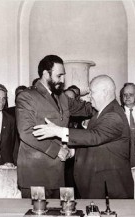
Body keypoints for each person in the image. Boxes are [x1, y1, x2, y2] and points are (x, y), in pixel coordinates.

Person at [33, 75, 134, 199]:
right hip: (97, 186)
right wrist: (72, 151)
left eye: (92, 92)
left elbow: (94, 137)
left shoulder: (113, 115)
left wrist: (58, 131)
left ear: (105, 92)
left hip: (109, 189)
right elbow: (97, 144)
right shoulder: (101, 113)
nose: (89, 96)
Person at [16, 55, 94, 198]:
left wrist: (105, 106)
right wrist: (57, 150)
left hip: (57, 174)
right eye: (59, 76)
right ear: (46, 74)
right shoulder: (27, 96)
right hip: (35, 174)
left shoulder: (62, 97)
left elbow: (85, 108)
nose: (63, 80)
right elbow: (26, 132)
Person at [4, 85, 27, 165]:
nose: (21, 97)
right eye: (18, 95)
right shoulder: (7, 112)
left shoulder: (33, 113)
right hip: (12, 153)